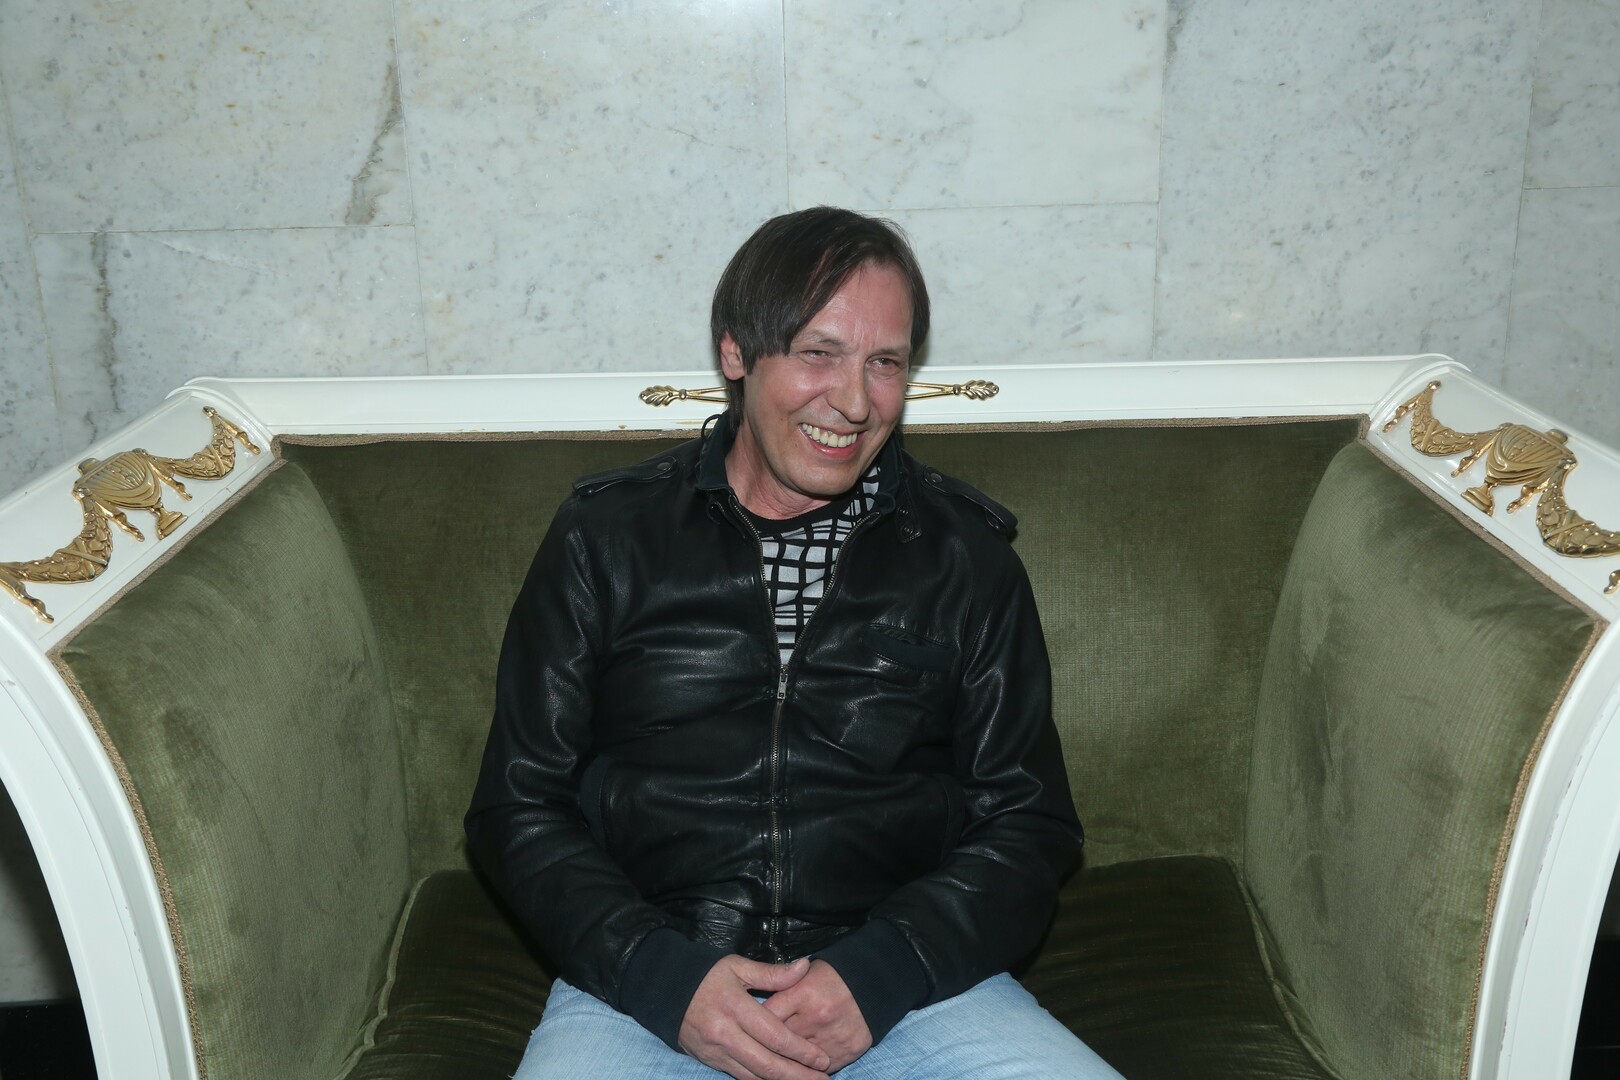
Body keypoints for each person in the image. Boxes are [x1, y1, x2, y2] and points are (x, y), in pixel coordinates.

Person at [465, 207, 1123, 1080]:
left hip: (908, 989)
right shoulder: (605, 539)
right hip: (648, 982)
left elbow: (1030, 822)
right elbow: (516, 805)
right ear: (736, 352)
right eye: (819, 353)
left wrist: (886, 968)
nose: (853, 401)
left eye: (885, 363)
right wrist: (658, 973)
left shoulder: (968, 560)